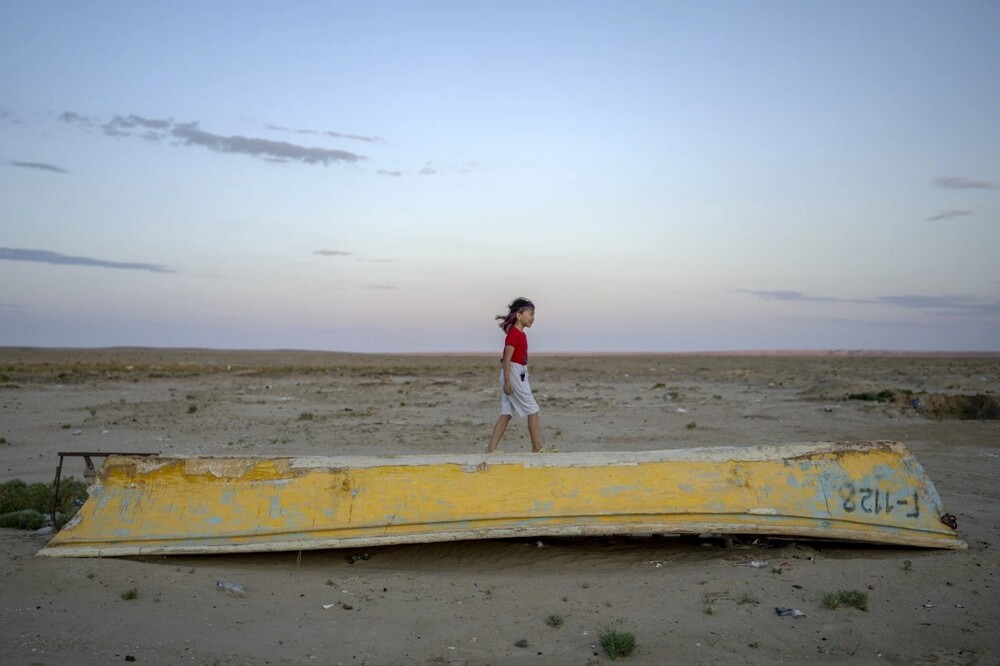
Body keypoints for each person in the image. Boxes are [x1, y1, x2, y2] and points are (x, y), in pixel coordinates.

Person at [485, 297, 543, 453]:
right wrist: (508, 381)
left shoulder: (520, 334)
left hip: (517, 372)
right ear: (519, 315)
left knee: (507, 412)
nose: (533, 318)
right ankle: (537, 448)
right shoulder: (514, 334)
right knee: (533, 409)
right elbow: (507, 358)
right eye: (530, 314)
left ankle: (491, 448)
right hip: (514, 373)